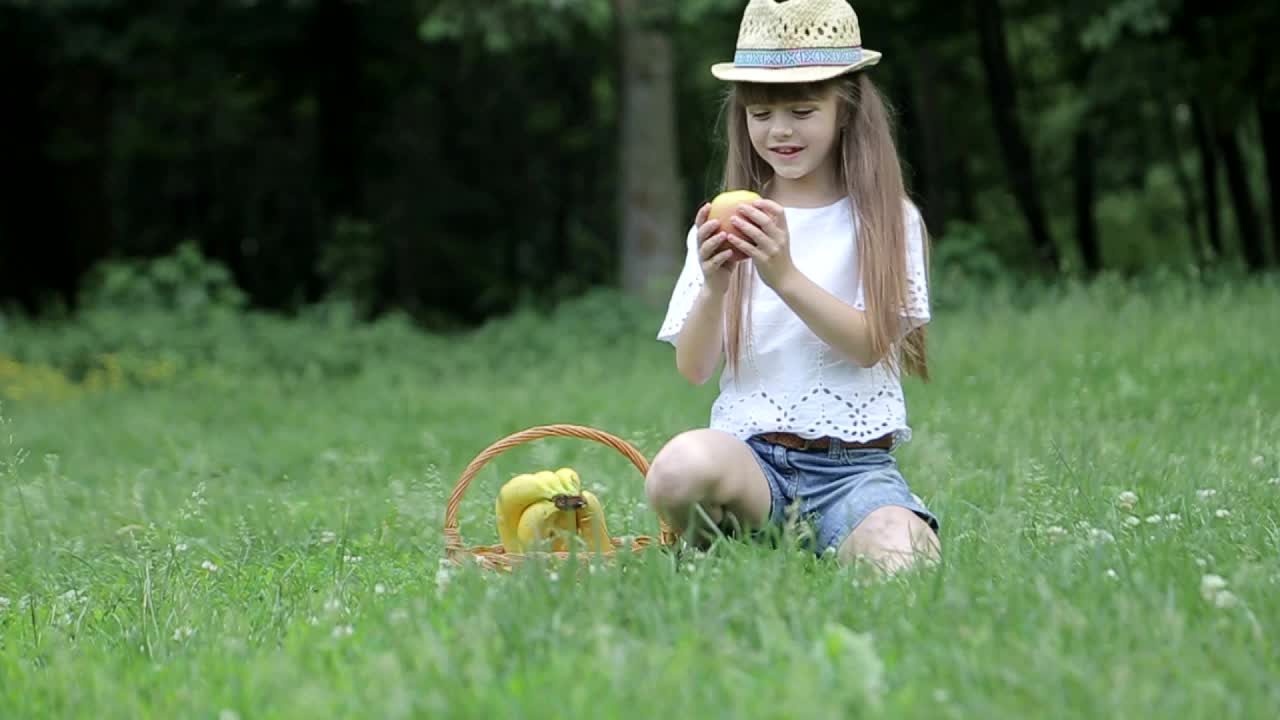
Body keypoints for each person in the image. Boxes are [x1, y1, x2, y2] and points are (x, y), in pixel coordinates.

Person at [645, 0, 940, 574]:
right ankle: (739, 539)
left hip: (852, 470)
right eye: (760, 115)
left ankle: (856, 527)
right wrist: (714, 287)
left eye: (803, 110)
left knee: (907, 564)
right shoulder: (727, 222)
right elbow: (695, 368)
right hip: (750, 463)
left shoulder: (884, 219)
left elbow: (870, 343)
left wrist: (784, 277)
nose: (779, 130)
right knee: (678, 469)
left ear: (846, 108)